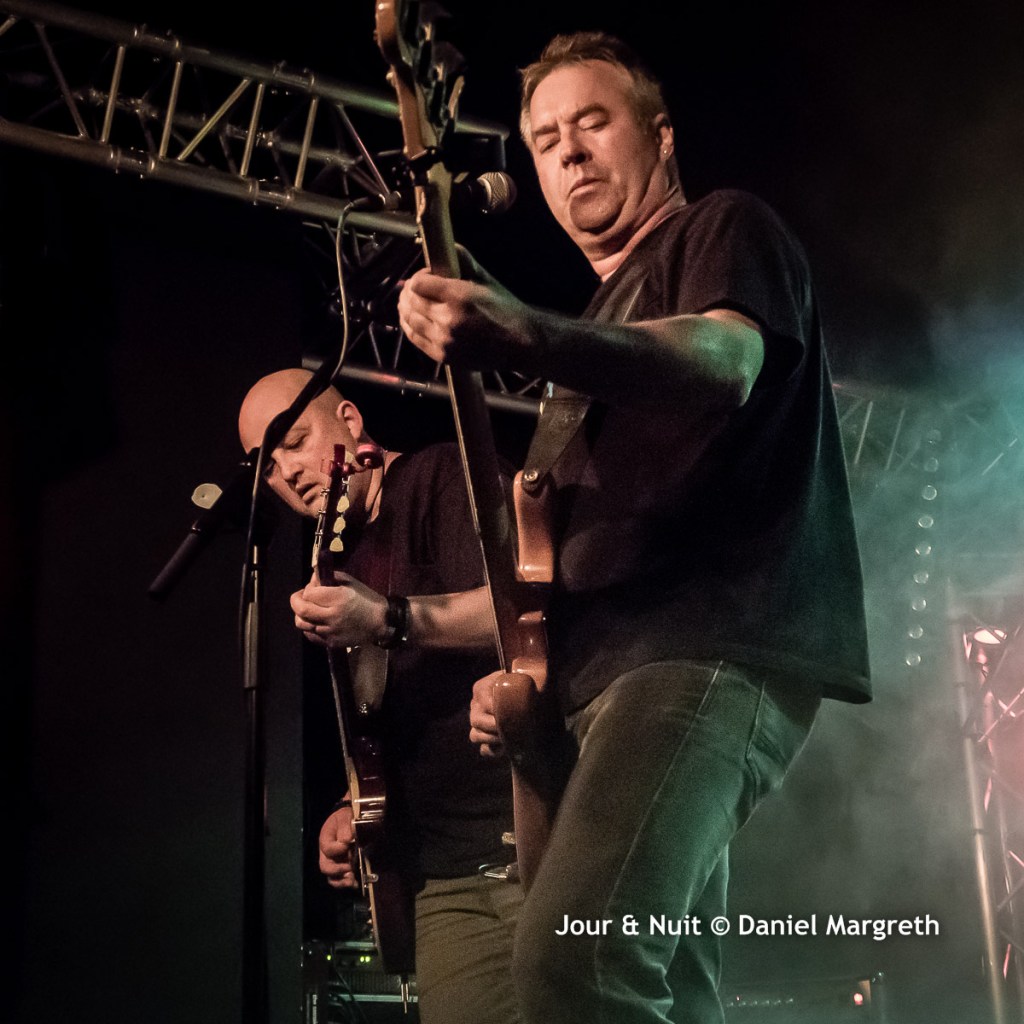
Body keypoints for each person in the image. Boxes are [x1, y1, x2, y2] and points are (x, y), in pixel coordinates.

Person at [396, 31, 871, 1024]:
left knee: (576, 961)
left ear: (659, 136)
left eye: (591, 121)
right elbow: (548, 579)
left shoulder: (721, 229)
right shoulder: (597, 329)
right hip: (602, 685)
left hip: (703, 649)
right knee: (672, 993)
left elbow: (722, 363)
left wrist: (524, 329)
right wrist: (453, 644)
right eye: (544, 139)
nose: (568, 151)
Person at [238, 369, 522, 1024]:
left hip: (528, 847)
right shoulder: (342, 555)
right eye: (267, 467)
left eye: (295, 442)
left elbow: (524, 611)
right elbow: (383, 713)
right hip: (437, 874)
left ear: (350, 421)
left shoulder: (439, 475)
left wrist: (388, 618)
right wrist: (354, 803)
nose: (287, 473)